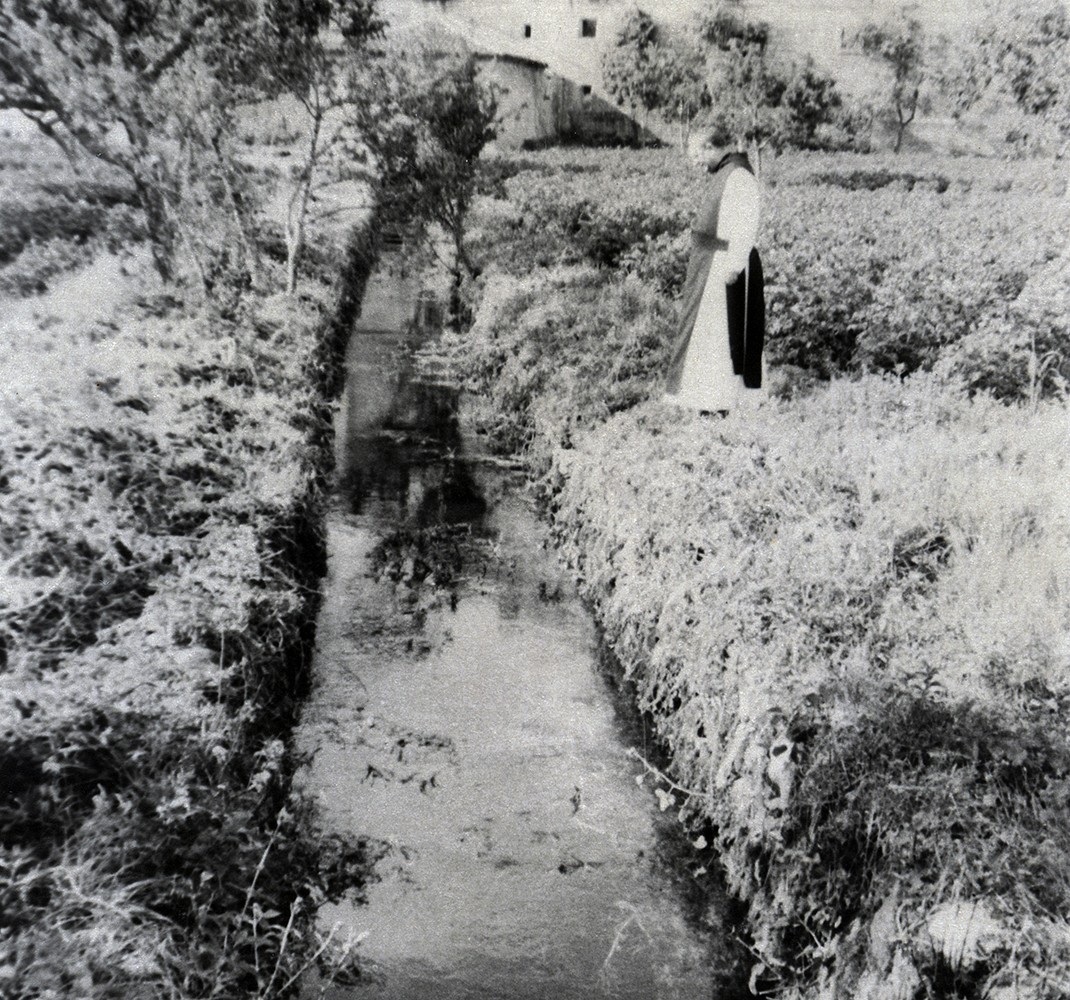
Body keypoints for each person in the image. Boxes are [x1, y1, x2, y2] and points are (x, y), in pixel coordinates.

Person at [664, 150, 765, 415]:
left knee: (724, 337)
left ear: (713, 146)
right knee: (706, 337)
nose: (696, 160)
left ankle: (724, 402)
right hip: (710, 265)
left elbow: (745, 224)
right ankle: (705, 400)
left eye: (698, 153)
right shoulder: (724, 172)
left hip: (725, 266)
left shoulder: (739, 176)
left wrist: (734, 266)